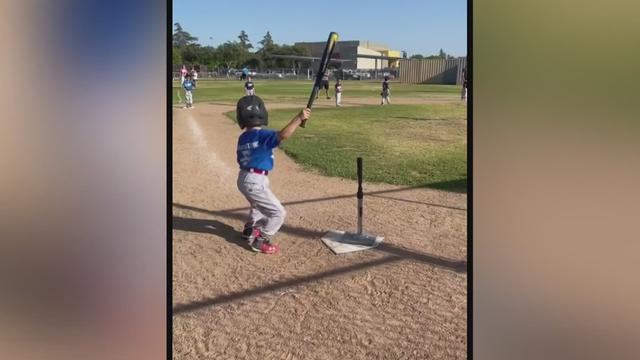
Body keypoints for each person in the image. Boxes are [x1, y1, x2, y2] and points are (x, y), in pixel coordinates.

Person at [235, 95, 311, 254]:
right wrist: (299, 118)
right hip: (256, 180)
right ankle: (261, 239)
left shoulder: (243, 137)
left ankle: (249, 229)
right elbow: (283, 135)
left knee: (257, 205)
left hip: (243, 178)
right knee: (278, 213)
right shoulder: (262, 135)